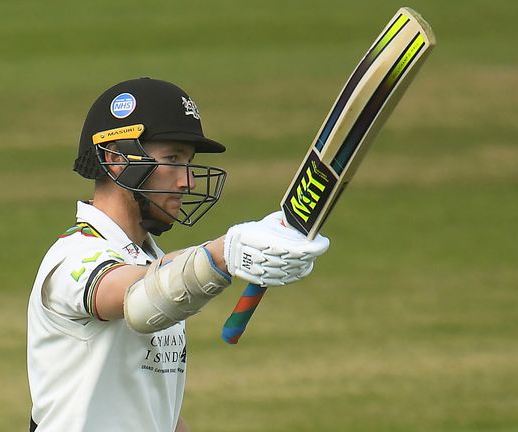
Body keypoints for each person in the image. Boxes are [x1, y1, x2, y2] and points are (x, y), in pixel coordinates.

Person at [26, 78, 330, 432]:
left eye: (188, 162)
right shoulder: (75, 256)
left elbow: (156, 410)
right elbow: (138, 301)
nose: (188, 182)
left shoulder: (149, 261)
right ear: (115, 158)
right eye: (172, 159)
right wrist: (225, 253)